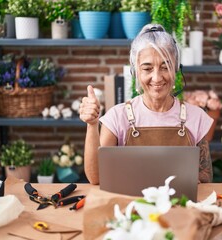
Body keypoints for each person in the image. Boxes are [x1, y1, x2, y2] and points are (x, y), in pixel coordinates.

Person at [79, 23, 213, 185]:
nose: (157, 78)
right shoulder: (117, 117)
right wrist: (92, 125)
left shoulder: (196, 116)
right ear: (135, 72)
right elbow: (96, 178)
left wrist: (192, 182)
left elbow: (206, 176)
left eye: (165, 67)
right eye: (147, 69)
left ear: (176, 69)